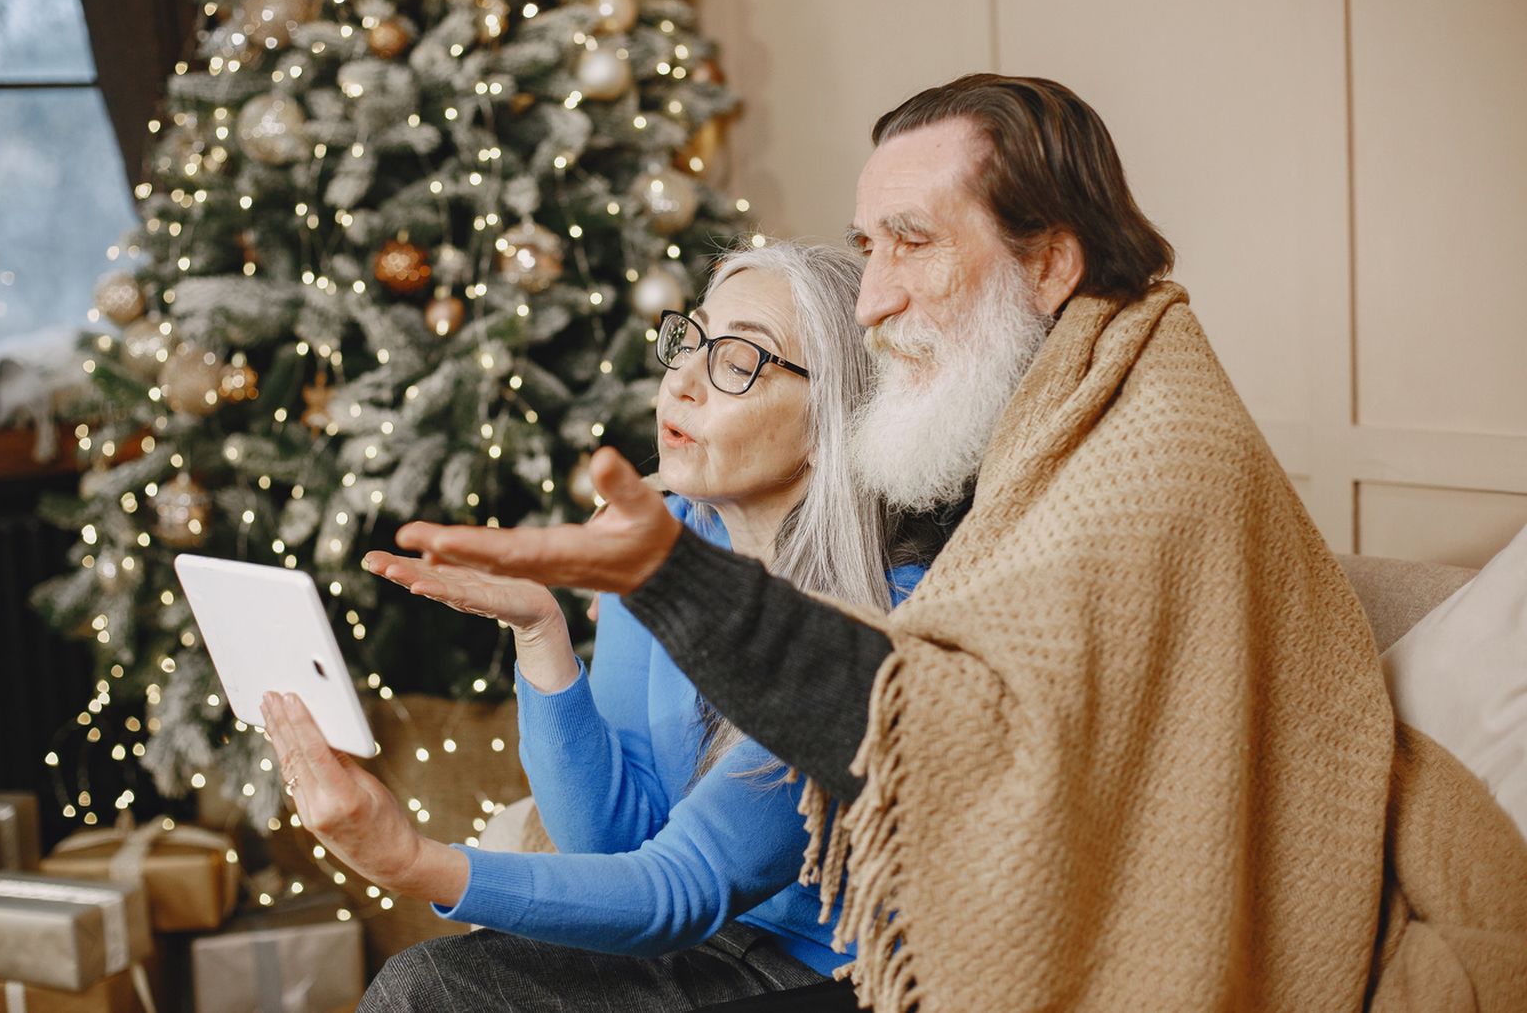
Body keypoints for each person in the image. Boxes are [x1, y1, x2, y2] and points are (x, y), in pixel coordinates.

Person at [395, 74, 1527, 1012]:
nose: (873, 300)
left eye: (914, 244)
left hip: (1042, 929)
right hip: (794, 929)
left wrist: (667, 582)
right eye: (863, 248)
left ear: (1050, 261)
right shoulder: (1031, 416)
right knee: (429, 985)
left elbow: (946, 728)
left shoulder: (1152, 446)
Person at [262, 240, 926, 1011]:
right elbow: (611, 845)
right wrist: (541, 633)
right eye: (693, 339)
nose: (680, 381)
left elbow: (681, 885)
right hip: (703, 947)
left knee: (429, 991)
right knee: (428, 989)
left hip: (835, 976)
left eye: (740, 359)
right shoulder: (666, 544)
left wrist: (416, 863)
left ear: (832, 419)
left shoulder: (883, 622)